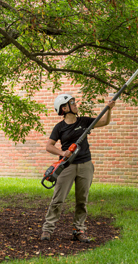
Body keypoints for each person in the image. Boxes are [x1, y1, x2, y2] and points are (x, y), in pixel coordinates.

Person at [41, 94, 116, 243]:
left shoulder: (84, 121)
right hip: (67, 166)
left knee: (82, 200)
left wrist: (109, 109)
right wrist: (62, 152)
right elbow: (49, 146)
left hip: (85, 165)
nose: (76, 105)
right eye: (72, 103)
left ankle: (78, 230)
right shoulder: (60, 127)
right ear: (64, 108)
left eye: (74, 102)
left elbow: (104, 122)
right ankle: (47, 230)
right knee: (58, 199)